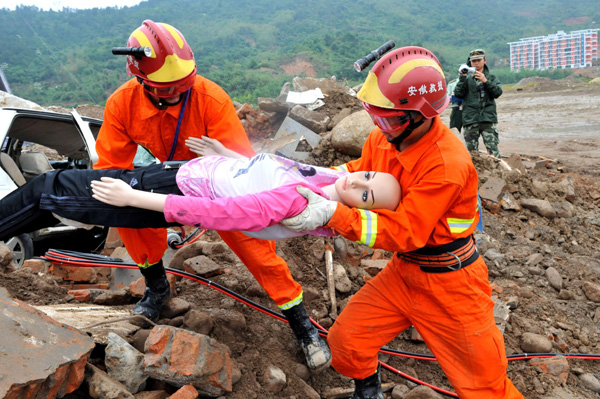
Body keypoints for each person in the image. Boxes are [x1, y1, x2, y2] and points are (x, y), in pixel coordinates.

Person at [281, 46, 523, 399]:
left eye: (389, 120)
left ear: (423, 115)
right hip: (405, 273)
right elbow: (357, 173)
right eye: (376, 118)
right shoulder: (385, 137)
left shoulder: (446, 164)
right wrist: (308, 179)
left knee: (485, 387)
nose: (380, 128)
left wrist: (333, 215)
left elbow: (404, 232)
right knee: (346, 344)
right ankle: (369, 390)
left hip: (452, 285)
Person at [94, 19, 330, 371]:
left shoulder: (210, 99)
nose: (175, 94)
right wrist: (112, 196)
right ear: (141, 79)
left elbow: (246, 171)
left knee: (256, 246)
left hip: (217, 183)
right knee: (130, 216)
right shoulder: (122, 104)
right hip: (164, 179)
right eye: (166, 90)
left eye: (181, 87)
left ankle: (301, 323)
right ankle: (157, 288)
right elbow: (111, 165)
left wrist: (218, 157)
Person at [0, 139, 401, 243]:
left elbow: (219, 214)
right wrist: (227, 155)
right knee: (52, 200)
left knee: (44, 189)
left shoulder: (300, 203)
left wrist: (134, 198)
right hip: (177, 176)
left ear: (363, 211)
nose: (358, 181)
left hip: (166, 192)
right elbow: (269, 169)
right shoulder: (331, 180)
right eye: (367, 174)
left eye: (366, 194)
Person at [453, 49, 503, 157]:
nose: (476, 63)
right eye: (473, 61)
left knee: (493, 151)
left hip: (488, 119)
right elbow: (458, 94)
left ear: (484, 60)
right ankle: (475, 173)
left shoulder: (491, 77)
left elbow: (498, 93)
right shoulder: (465, 78)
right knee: (472, 154)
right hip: (470, 119)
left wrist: (486, 81)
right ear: (470, 62)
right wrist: (462, 78)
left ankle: (497, 172)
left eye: (478, 60)